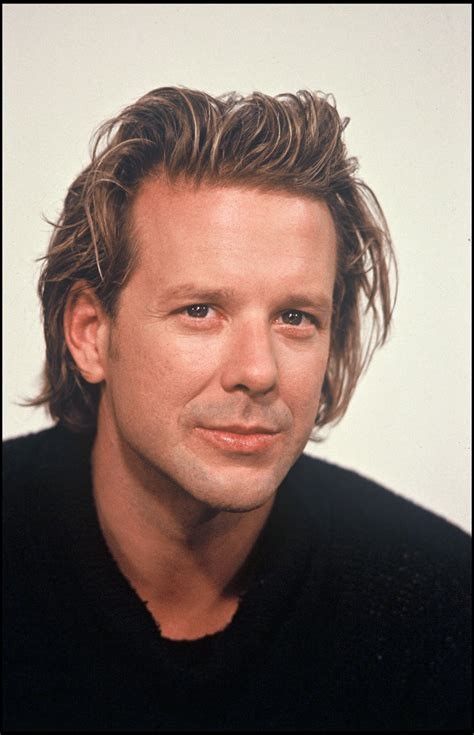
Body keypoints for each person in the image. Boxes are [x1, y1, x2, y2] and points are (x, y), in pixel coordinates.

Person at [2, 86, 470, 732]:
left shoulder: (440, 607)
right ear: (90, 332)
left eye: (296, 317)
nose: (258, 370)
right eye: (201, 311)